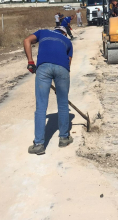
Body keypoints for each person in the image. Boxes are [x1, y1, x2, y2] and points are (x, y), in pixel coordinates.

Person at [23, 26, 74, 155]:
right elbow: (68, 63)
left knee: (41, 106)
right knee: (63, 104)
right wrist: (60, 87)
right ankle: (64, 138)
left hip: (43, 68)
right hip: (62, 69)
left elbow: (26, 41)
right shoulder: (67, 41)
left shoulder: (43, 32)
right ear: (64, 33)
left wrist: (30, 61)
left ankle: (39, 144)